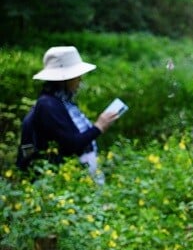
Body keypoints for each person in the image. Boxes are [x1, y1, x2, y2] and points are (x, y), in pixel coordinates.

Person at [17, 46, 119, 180]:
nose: (80, 79)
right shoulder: (48, 105)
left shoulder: (62, 101)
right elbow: (71, 145)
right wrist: (99, 127)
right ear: (64, 79)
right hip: (58, 181)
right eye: (76, 76)